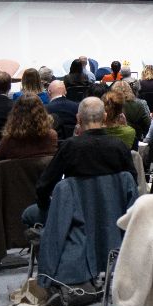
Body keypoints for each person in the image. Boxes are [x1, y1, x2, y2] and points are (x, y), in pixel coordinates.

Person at [25, 97, 135, 227]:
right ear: (104, 117)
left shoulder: (70, 147)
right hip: (113, 215)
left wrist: (49, 206)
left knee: (28, 215)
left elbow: (44, 186)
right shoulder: (119, 146)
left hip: (75, 216)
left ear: (78, 118)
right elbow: (132, 183)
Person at [0, 95, 59, 164]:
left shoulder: (9, 139)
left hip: (16, 171)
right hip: (43, 171)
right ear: (42, 111)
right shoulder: (52, 136)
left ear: (16, 113)